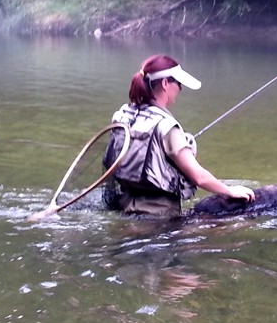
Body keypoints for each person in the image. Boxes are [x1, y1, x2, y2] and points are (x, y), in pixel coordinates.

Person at [102, 54, 255, 217]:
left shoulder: (123, 115)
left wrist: (180, 145)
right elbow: (200, 178)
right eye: (179, 83)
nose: (180, 88)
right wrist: (230, 191)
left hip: (122, 205)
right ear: (165, 83)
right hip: (159, 217)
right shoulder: (167, 127)